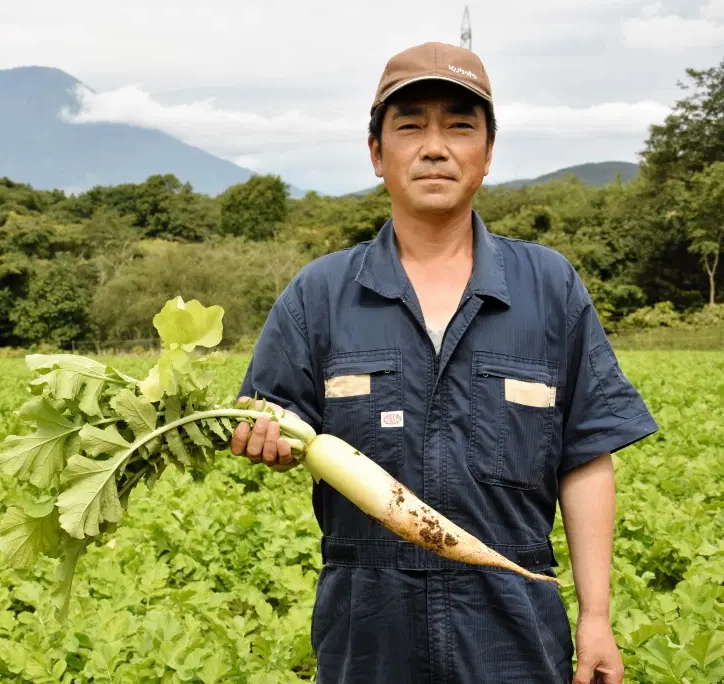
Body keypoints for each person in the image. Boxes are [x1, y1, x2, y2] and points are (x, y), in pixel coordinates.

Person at [230, 41, 659, 684]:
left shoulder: (548, 286)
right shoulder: (317, 295)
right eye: (410, 126)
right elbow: (265, 416)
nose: (436, 146)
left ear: (487, 154)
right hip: (366, 627)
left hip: (513, 618)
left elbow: (588, 456)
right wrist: (262, 436)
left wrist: (595, 614)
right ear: (377, 154)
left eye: (460, 126)